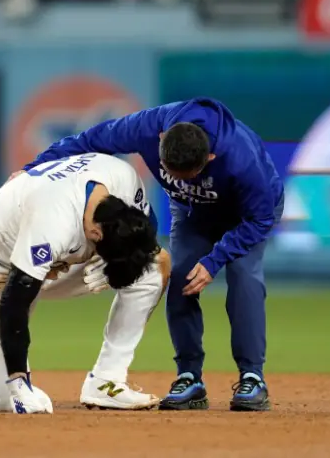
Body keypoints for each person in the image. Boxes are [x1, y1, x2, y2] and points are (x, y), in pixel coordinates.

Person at [16, 98, 284, 412]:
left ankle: (252, 376)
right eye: (175, 175)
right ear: (160, 141)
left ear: (210, 156)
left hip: (245, 216)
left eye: (189, 176)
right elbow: (85, 141)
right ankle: (189, 377)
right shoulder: (146, 127)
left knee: (244, 279)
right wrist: (31, 171)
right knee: (181, 274)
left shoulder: (240, 158)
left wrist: (214, 261)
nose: (182, 183)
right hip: (193, 213)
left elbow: (261, 219)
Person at [0, 153, 168, 413]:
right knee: (0, 397)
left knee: (154, 266)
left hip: (52, 262)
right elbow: (14, 301)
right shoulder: (55, 219)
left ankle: (106, 381)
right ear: (95, 234)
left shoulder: (124, 179)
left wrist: (112, 258)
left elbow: (144, 236)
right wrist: (19, 381)